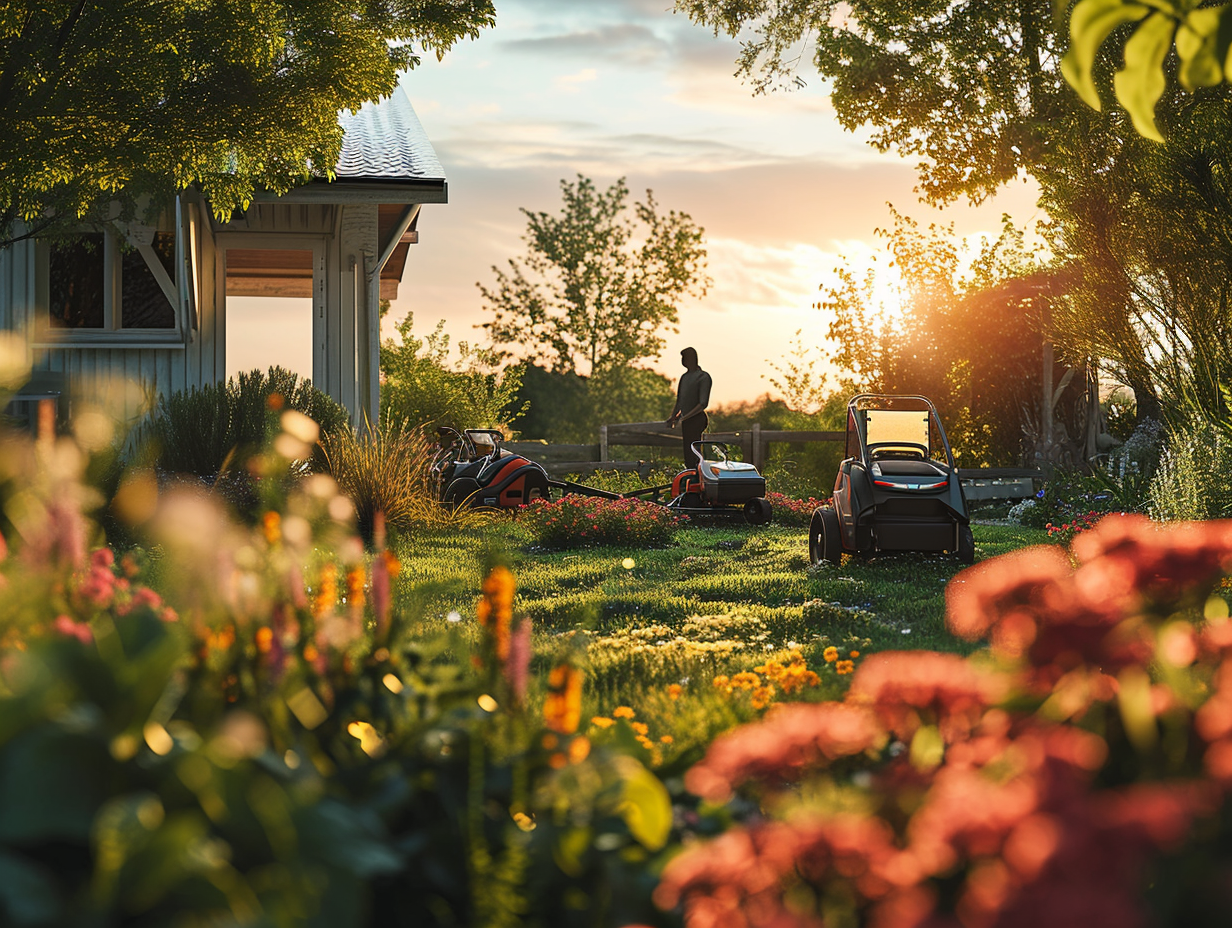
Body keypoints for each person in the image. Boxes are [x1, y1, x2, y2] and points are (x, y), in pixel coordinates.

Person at [665, 346, 712, 470]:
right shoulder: (684, 377)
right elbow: (680, 401)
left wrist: (685, 417)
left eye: (684, 358)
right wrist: (673, 417)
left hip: (696, 419)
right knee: (687, 450)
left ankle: (698, 473)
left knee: (694, 449)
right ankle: (689, 473)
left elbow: (703, 403)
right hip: (686, 420)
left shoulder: (703, 377)